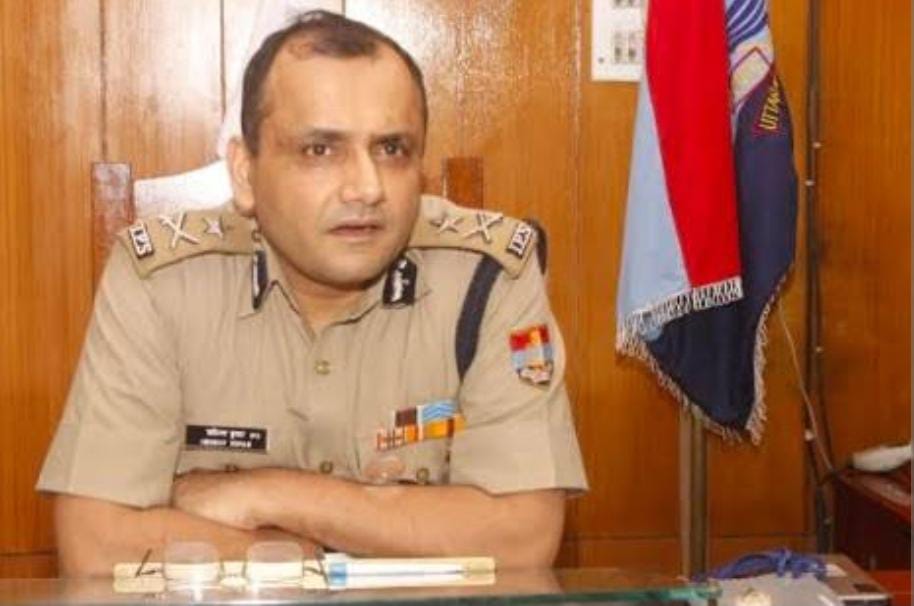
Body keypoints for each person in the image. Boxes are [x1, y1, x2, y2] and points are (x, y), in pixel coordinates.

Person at [37, 10, 587, 577]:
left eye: (392, 149)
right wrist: (308, 552)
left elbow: (523, 539)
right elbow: (95, 546)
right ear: (245, 173)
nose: (367, 188)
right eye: (320, 150)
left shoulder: (489, 276)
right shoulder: (161, 280)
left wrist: (273, 497)